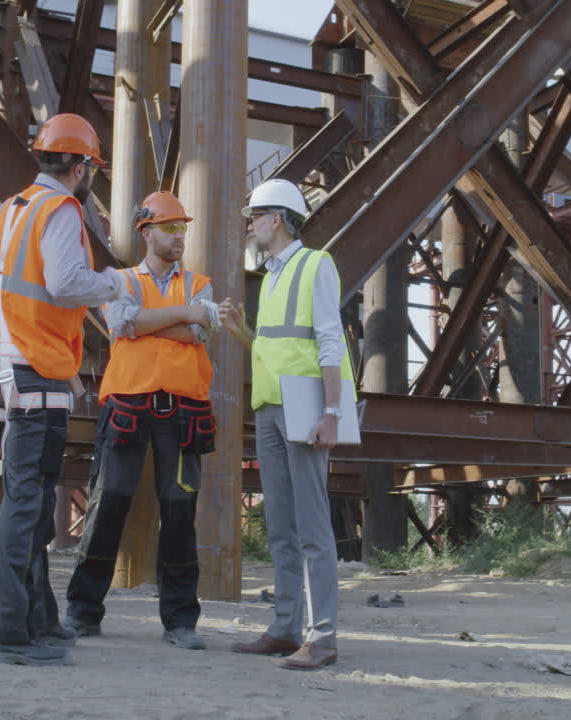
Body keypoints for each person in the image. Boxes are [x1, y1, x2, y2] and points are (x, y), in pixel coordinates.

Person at [0, 113, 128, 666]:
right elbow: (65, 284)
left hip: (1, 362)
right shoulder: (60, 209)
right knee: (25, 505)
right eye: (92, 166)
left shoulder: (8, 211)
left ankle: (40, 619)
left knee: (33, 501)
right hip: (34, 366)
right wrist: (117, 281)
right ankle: (10, 634)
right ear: (82, 164)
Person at [65, 191, 219, 650]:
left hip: (183, 409)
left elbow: (199, 329)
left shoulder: (201, 284)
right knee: (107, 502)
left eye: (182, 229)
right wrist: (180, 317)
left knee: (178, 510)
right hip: (128, 405)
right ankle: (83, 611)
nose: (179, 237)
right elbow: (121, 325)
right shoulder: (120, 281)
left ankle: (180, 621)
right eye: (171, 229)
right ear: (147, 232)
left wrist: (151, 321)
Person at [218, 178, 351, 671]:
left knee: (312, 526)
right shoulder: (272, 276)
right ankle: (284, 628)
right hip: (270, 406)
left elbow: (329, 341)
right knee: (281, 524)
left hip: (306, 406)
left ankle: (323, 637)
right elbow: (279, 346)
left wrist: (331, 413)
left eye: (254, 216)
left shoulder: (316, 264)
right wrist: (242, 334)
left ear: (276, 218)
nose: (249, 225)